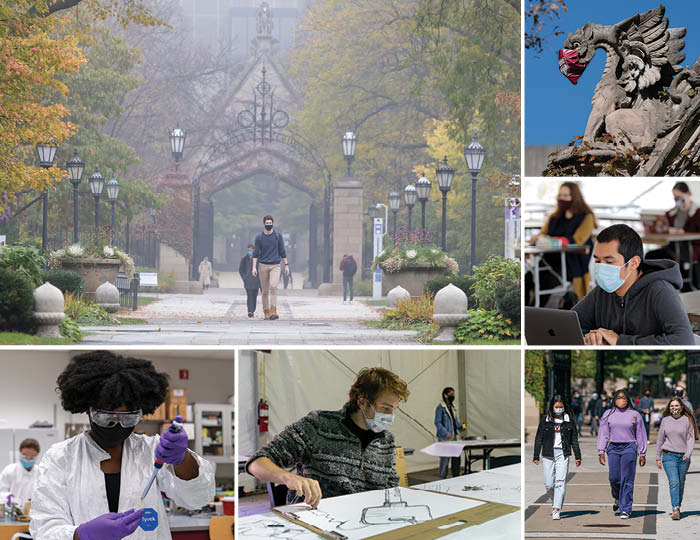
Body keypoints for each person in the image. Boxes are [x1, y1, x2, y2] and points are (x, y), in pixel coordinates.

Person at [30, 351, 215, 540]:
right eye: (107, 416)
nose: (117, 424)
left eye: (128, 418)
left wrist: (181, 457)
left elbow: (198, 498)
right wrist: (81, 535)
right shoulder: (61, 457)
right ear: (88, 409)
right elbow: (44, 529)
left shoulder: (153, 450)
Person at [246, 367, 410, 508]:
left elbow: (391, 488)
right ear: (362, 402)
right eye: (386, 408)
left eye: (394, 409)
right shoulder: (318, 426)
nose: (390, 415)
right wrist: (288, 478)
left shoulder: (386, 441)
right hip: (316, 521)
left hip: (365, 523)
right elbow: (257, 462)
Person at [572, 224, 694, 345]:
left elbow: (685, 340)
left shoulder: (660, 290)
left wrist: (621, 341)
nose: (601, 268)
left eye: (609, 262)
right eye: (598, 261)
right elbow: (570, 325)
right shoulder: (602, 292)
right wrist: (591, 337)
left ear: (633, 263)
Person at [530, 182, 596, 303]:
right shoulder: (554, 216)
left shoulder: (586, 217)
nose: (562, 198)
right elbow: (543, 233)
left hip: (571, 263)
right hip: (549, 260)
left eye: (566, 195)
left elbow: (578, 239)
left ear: (574, 196)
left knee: (546, 281)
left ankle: (535, 310)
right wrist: (537, 238)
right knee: (528, 278)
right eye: (560, 195)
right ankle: (527, 310)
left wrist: (556, 240)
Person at [597, 388, 647, 519]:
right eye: (618, 398)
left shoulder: (635, 414)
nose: (621, 400)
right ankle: (618, 498)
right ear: (614, 400)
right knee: (614, 478)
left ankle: (626, 508)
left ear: (628, 400)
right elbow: (603, 433)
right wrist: (601, 451)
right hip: (613, 448)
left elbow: (640, 434)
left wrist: (642, 453)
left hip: (629, 448)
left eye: (623, 398)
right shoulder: (608, 414)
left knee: (627, 478)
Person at [533, 395, 581, 520]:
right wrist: (536, 454)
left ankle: (556, 509)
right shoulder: (546, 420)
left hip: (563, 454)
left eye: (561, 407)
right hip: (548, 453)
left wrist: (577, 455)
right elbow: (539, 438)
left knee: (560, 482)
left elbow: (574, 439)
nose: (559, 409)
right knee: (549, 484)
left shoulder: (568, 420)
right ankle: (557, 499)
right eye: (556, 407)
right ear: (552, 407)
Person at [656, 397, 700, 520]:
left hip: (683, 457)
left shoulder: (688, 420)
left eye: (676, 406)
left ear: (681, 407)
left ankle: (678, 505)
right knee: (674, 482)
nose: (674, 408)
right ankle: (675, 508)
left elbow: (691, 439)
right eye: (671, 406)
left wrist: (688, 454)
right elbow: (660, 439)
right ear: (668, 408)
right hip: (668, 455)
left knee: (680, 483)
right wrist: (657, 457)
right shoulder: (665, 420)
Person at [646, 182, 700, 274]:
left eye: (679, 197)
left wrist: (683, 232)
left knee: (666, 258)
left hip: (689, 249)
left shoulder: (697, 213)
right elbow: (661, 225)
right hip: (672, 247)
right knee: (649, 256)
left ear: (688, 194)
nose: (677, 200)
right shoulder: (671, 213)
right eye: (675, 198)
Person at [252, 215, 289, 320]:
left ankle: (273, 310)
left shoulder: (278, 236)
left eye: (270, 223)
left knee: (273, 287)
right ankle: (266, 311)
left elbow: (282, 251)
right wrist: (254, 267)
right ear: (264, 224)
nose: (269, 225)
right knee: (264, 291)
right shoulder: (259, 237)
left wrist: (286, 265)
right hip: (263, 265)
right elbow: (255, 254)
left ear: (273, 223)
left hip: (275, 265)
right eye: (267, 223)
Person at [0, 438, 40, 509]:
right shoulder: (9, 470)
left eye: (32, 457)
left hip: (34, 514)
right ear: (20, 453)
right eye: (25, 456)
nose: (28, 459)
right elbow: (1, 492)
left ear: (37, 455)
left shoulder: (40, 473)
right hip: (12, 512)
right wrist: (7, 498)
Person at [434, 387, 464, 479]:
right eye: (451, 394)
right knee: (445, 460)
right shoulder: (440, 408)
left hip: (454, 437)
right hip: (445, 438)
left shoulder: (452, 407)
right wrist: (446, 433)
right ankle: (442, 478)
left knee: (456, 458)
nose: (453, 396)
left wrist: (461, 427)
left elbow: (455, 421)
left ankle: (456, 477)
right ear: (445, 395)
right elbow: (437, 422)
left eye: (453, 394)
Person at [239, 244, 261, 318]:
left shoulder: (258, 259)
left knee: (254, 296)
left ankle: (252, 310)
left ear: (253, 250)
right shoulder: (244, 259)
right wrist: (244, 278)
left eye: (251, 250)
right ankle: (250, 311)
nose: (250, 252)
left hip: (256, 281)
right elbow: (241, 270)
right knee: (249, 296)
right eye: (248, 250)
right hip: (247, 281)